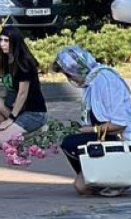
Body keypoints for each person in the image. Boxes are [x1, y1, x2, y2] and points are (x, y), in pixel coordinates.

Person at [55, 46, 131, 195]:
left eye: (69, 75)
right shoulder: (91, 81)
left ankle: (116, 177)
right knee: (81, 186)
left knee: (70, 142)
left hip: (122, 138)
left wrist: (90, 130)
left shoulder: (105, 81)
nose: (70, 79)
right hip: (109, 135)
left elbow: (120, 123)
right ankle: (102, 176)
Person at [0, 26, 48, 148]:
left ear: (15, 42)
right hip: (18, 110)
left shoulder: (23, 62)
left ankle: (33, 134)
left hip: (33, 113)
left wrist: (10, 119)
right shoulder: (6, 59)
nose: (2, 44)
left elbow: (22, 94)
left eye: (7, 41)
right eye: (1, 40)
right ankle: (9, 133)